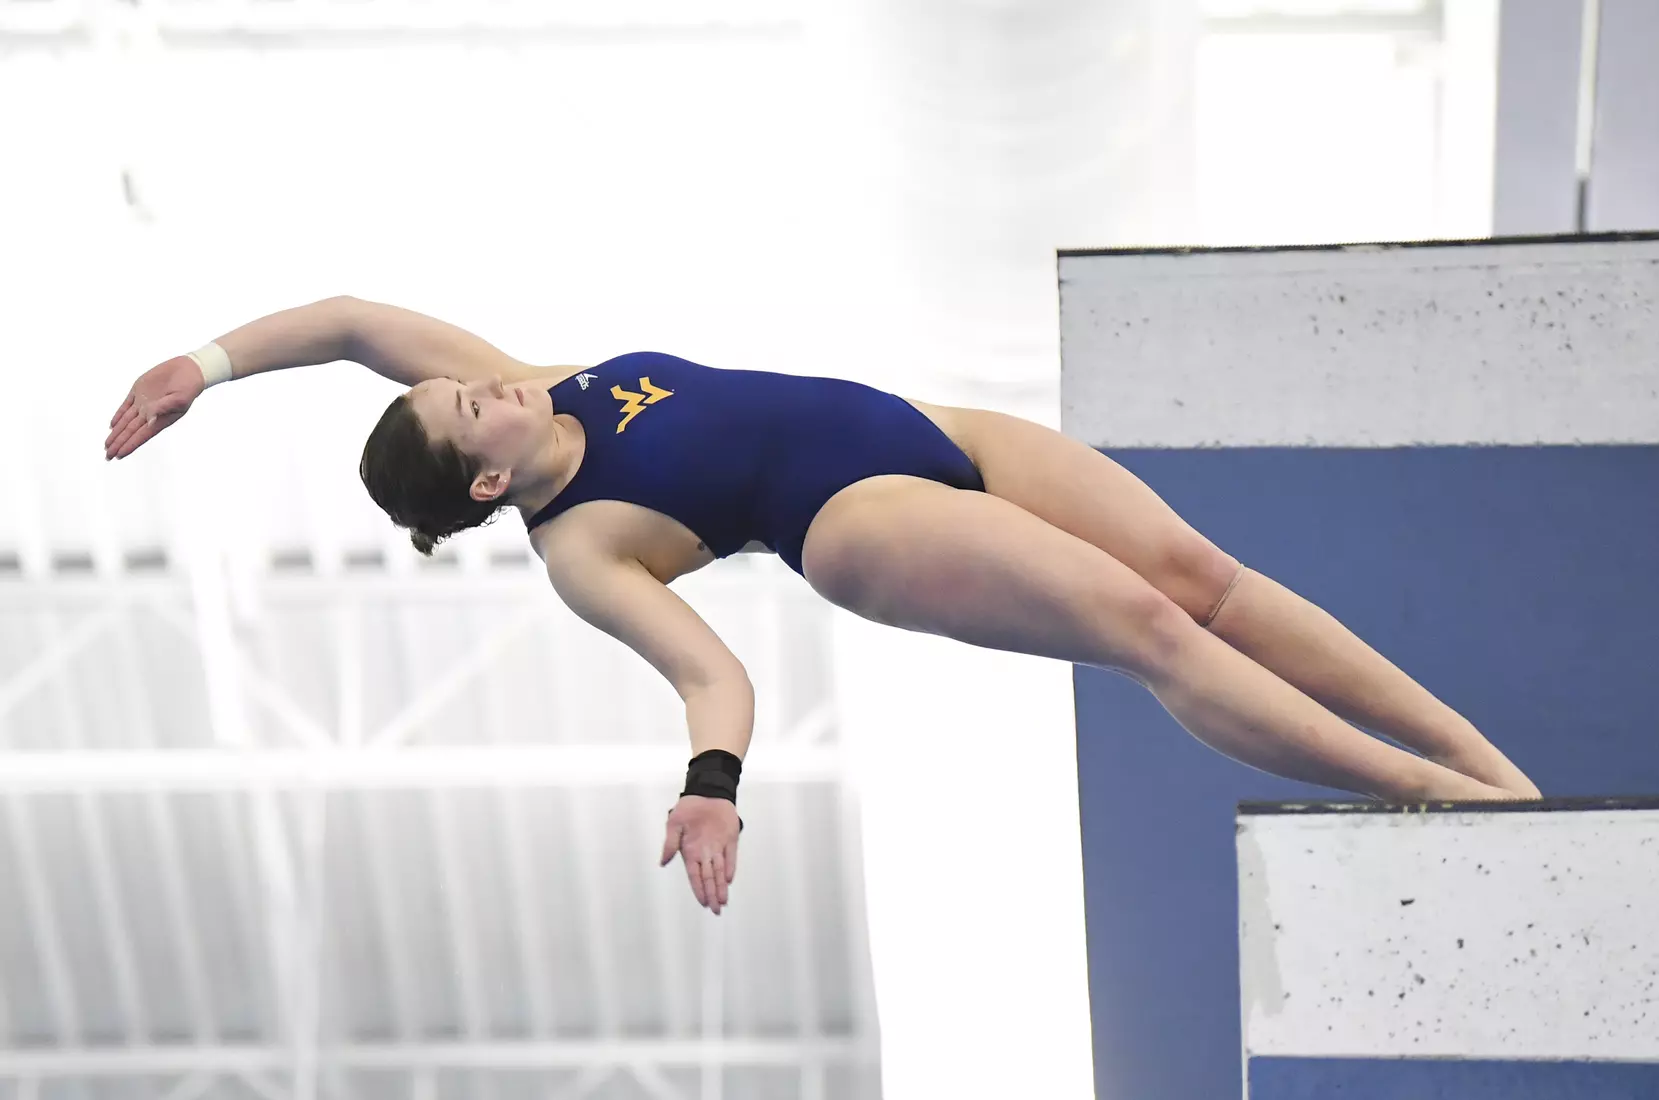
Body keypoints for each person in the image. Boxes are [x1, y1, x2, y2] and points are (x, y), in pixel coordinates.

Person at [106, 295, 1541, 914]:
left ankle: (1485, 762)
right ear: (480, 485)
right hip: (851, 522)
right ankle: (1421, 791)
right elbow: (710, 679)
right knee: (1145, 629)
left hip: (926, 424)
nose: (476, 383)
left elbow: (353, 321)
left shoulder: (537, 376)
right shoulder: (583, 549)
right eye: (461, 407)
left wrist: (205, 365)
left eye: (459, 379)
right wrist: (711, 786)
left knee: (1203, 580)